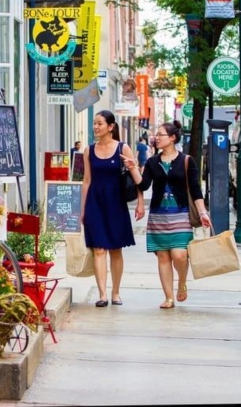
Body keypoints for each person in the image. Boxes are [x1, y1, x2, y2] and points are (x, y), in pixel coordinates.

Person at [122, 120, 211, 309]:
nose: (156, 138)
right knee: (163, 257)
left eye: (160, 135)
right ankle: (169, 297)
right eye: (156, 135)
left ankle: (182, 281)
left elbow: (196, 190)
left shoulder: (186, 161)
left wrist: (202, 212)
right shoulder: (153, 162)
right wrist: (133, 168)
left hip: (181, 215)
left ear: (172, 138)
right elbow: (143, 185)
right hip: (158, 216)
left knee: (180, 255)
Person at [81, 110, 145, 307]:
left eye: (99, 123)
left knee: (116, 249)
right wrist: (82, 210)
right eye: (94, 123)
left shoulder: (122, 148)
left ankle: (115, 292)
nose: (95, 127)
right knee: (99, 249)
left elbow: (135, 176)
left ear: (111, 127)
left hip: (116, 201)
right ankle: (102, 294)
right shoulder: (88, 150)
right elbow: (86, 180)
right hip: (95, 202)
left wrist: (140, 202)